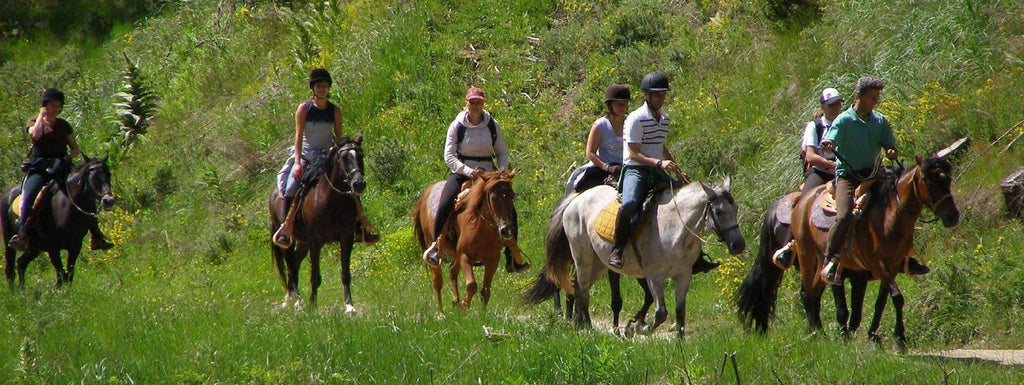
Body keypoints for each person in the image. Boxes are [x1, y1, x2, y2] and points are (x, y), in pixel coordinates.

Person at [818, 76, 927, 284]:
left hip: (875, 173)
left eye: (877, 98)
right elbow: (831, 137)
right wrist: (828, 144)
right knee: (843, 216)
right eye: (871, 98)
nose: (875, 102)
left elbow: (889, 144)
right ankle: (829, 260)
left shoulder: (880, 121)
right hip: (849, 177)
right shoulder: (843, 120)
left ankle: (905, 257)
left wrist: (891, 150)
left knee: (902, 205)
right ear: (858, 96)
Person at [607, 73, 718, 273]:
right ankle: (618, 249)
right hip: (636, 169)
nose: (661, 98)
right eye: (657, 95)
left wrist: (678, 170)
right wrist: (659, 162)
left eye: (663, 95)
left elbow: (661, 146)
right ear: (646, 95)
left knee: (688, 202)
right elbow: (633, 153)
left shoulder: (664, 118)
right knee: (630, 203)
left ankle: (696, 257)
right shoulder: (635, 119)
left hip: (657, 169)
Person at [421, 86, 529, 273]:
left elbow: (501, 151)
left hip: (488, 174)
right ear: (467, 103)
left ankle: (512, 255)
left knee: (509, 208)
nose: (476, 105)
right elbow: (449, 155)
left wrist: (501, 171)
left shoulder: (492, 125)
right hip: (463, 171)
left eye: (479, 102)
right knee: (445, 202)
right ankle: (436, 246)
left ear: (483, 103)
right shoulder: (458, 126)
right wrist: (466, 170)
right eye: (473, 102)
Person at [273, 68, 378, 248]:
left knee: (349, 185)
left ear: (329, 88)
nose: (322, 89)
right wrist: (297, 163)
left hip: (326, 156)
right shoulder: (304, 109)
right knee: (290, 187)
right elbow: (298, 136)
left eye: (325, 86)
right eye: (319, 86)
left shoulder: (335, 110)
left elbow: (339, 137)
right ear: (313, 88)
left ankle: (360, 226)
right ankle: (286, 228)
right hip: (306, 156)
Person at [8, 88, 114, 252]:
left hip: (60, 165)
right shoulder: (33, 121)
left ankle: (96, 235)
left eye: (59, 105)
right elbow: (35, 135)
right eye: (52, 105)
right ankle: (22, 234)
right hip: (39, 167)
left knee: (84, 191)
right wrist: (40, 117)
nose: (56, 108)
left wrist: (67, 159)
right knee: (29, 195)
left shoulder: (64, 125)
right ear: (45, 105)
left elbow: (75, 149)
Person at [565, 84, 630, 194]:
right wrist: (607, 167)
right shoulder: (600, 125)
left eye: (624, 104)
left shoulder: (630, 123)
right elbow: (590, 153)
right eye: (619, 104)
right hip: (602, 168)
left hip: (625, 169)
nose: (622, 107)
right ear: (610, 105)